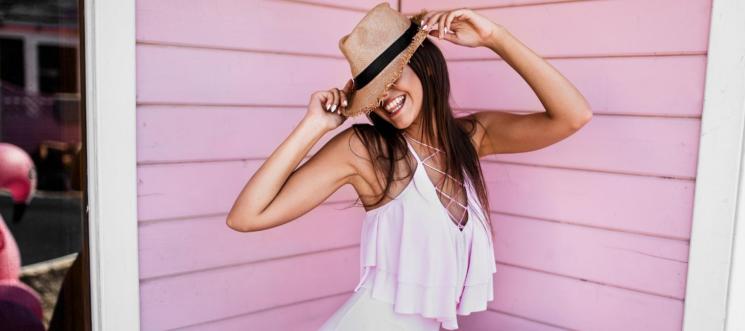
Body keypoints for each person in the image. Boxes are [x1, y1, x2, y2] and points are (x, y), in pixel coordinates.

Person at [226, 3, 592, 330]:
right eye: (374, 91)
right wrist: (313, 126)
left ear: (426, 70)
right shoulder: (365, 150)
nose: (385, 98)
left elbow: (574, 116)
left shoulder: (472, 138)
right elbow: (245, 217)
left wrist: (494, 37)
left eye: (392, 78)